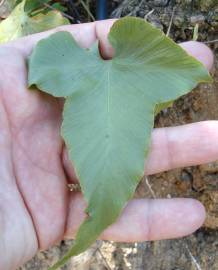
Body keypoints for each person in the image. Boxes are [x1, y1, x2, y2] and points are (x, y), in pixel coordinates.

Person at [0, 19, 215, 270]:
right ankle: (99, 215)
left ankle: (99, 216)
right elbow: (180, 70)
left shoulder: (59, 59)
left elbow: (44, 67)